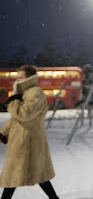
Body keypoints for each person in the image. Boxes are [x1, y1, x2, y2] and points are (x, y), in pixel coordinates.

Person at [0, 65, 59, 199]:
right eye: (17, 77)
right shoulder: (26, 93)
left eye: (21, 77)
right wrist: (5, 132)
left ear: (30, 78)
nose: (17, 80)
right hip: (22, 140)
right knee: (36, 174)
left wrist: (14, 99)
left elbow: (23, 114)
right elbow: (16, 118)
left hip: (29, 140)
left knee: (14, 174)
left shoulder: (36, 93)